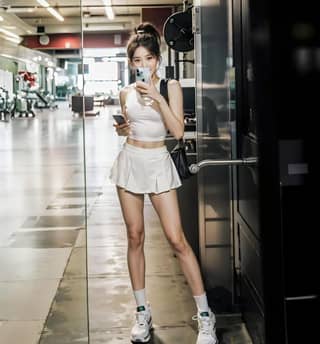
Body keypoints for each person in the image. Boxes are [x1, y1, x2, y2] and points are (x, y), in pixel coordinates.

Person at [109, 22, 217, 344]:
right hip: (130, 162)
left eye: (148, 59)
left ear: (157, 59)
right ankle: (142, 312)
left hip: (158, 162)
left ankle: (205, 317)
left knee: (177, 239)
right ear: (131, 64)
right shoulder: (125, 92)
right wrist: (123, 129)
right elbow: (131, 126)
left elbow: (178, 132)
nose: (143, 65)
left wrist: (156, 97)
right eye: (137, 61)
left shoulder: (170, 87)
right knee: (134, 236)